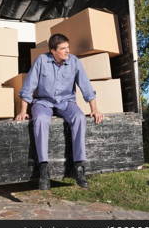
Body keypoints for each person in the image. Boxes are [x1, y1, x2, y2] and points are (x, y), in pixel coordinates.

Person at [16, 33, 103, 190]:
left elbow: (86, 87)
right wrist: (23, 111)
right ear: (52, 51)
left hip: (66, 102)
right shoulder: (41, 61)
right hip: (43, 102)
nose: (67, 51)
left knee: (79, 118)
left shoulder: (74, 62)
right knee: (41, 120)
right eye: (63, 49)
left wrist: (94, 109)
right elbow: (28, 87)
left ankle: (79, 167)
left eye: (68, 48)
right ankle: (43, 168)